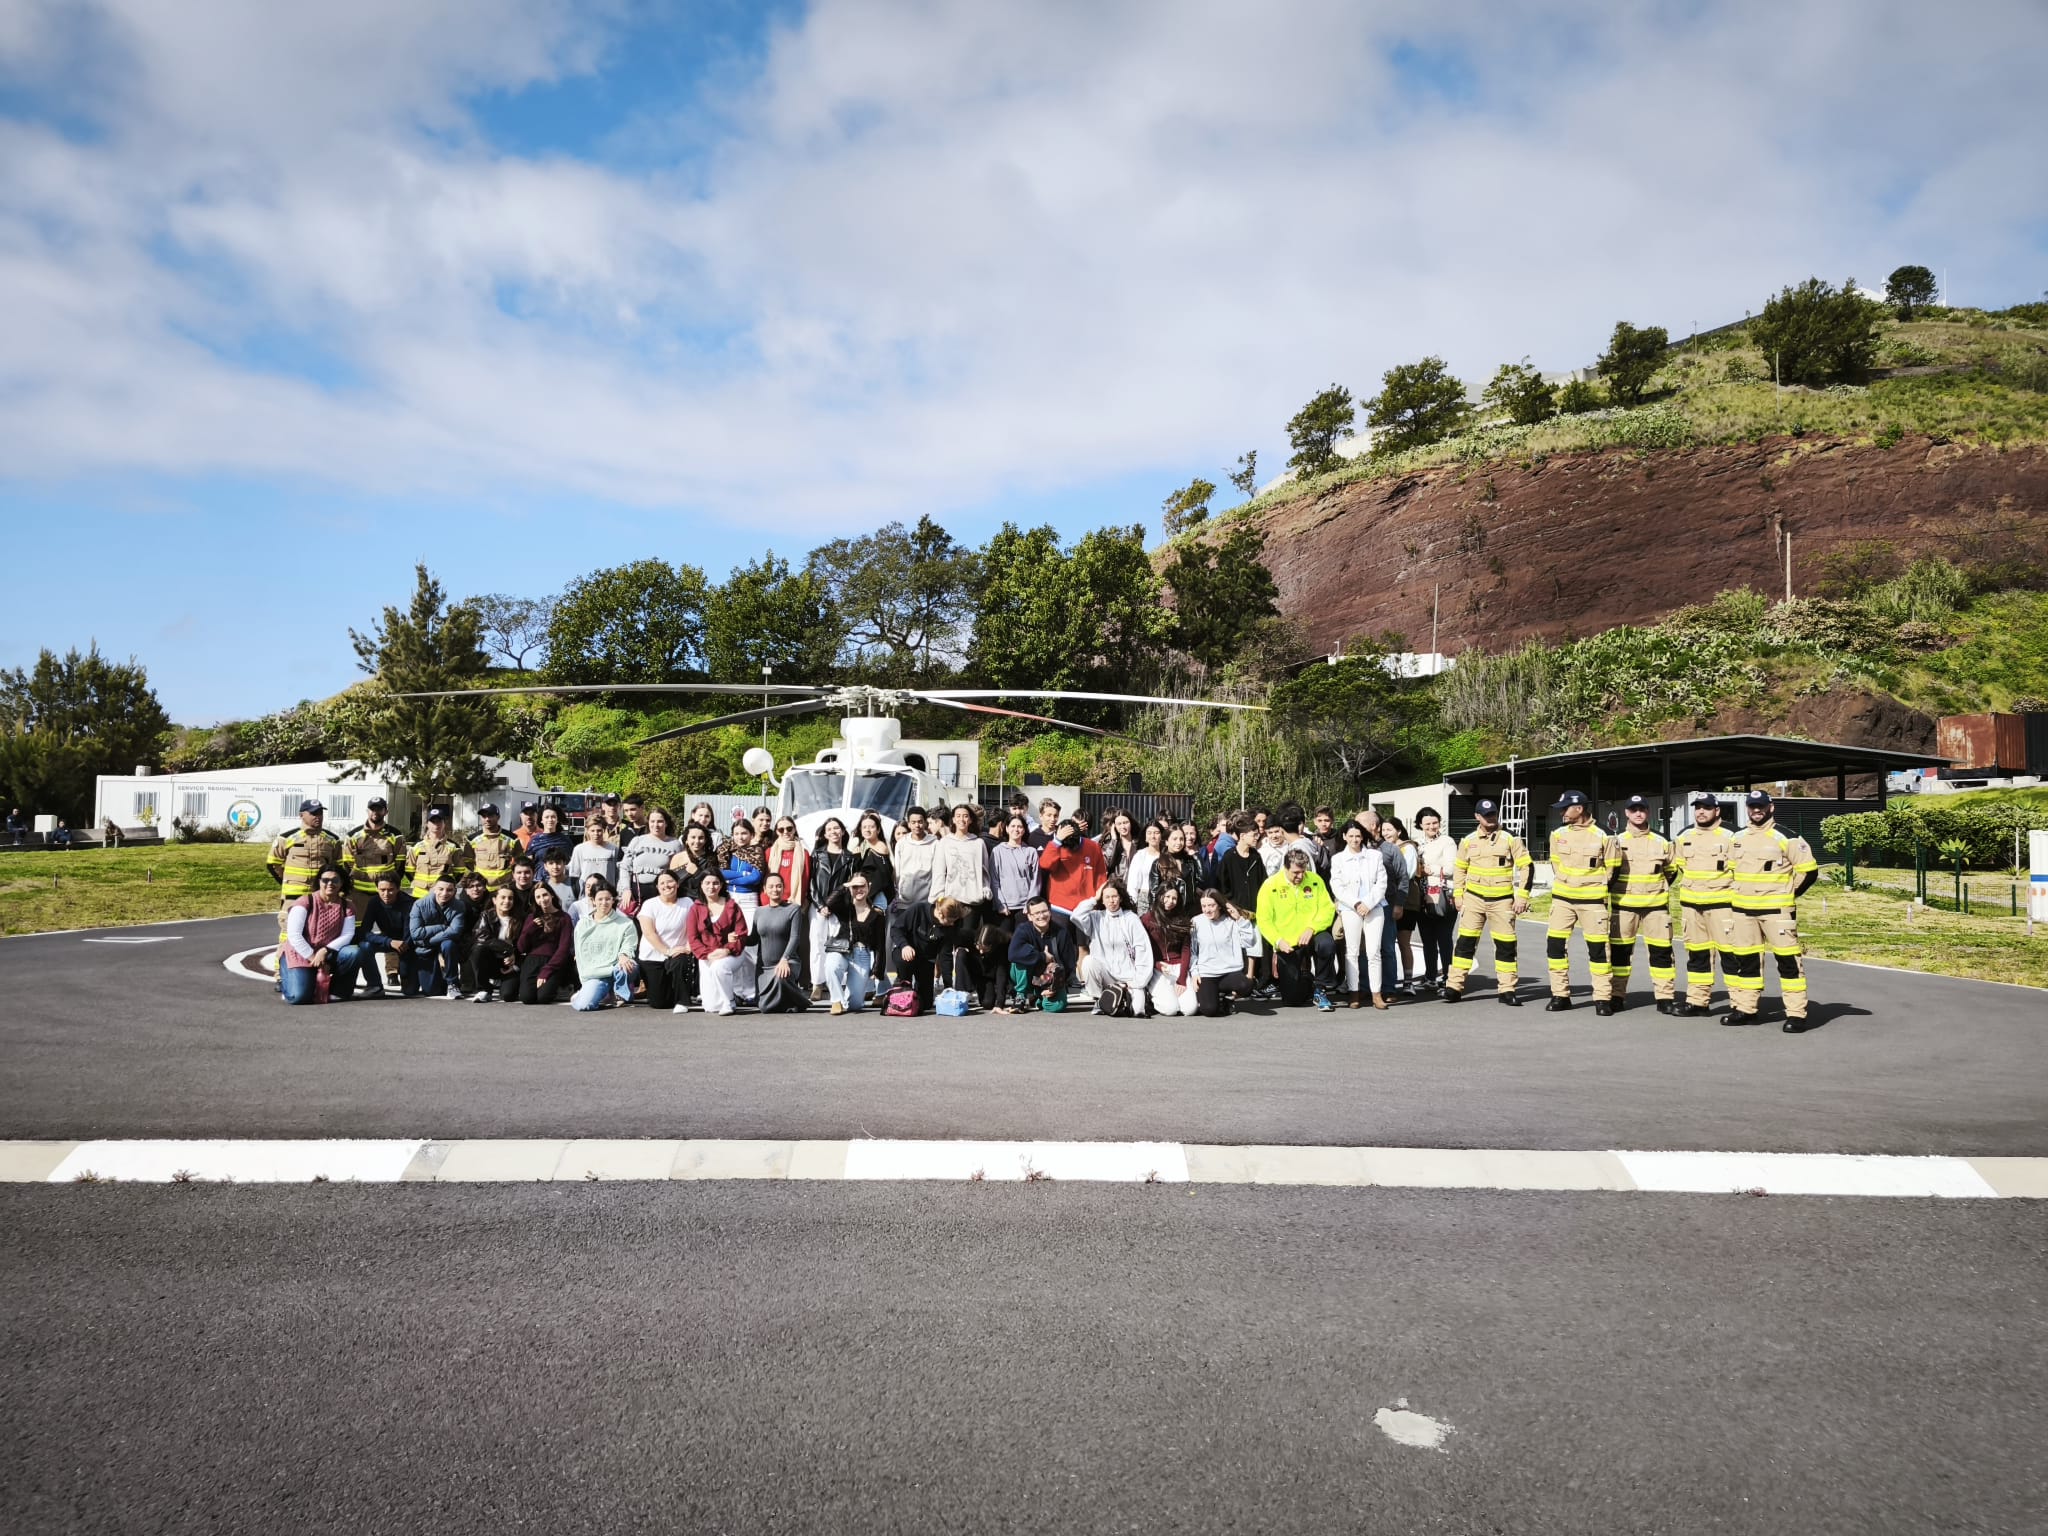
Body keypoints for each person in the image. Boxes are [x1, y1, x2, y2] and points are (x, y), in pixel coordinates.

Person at [1725, 790, 1820, 1031]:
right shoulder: (1737, 838)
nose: (1757, 810)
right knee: (1746, 962)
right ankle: (1746, 1009)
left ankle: (1796, 1014)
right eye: (1752, 806)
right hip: (1743, 912)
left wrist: (1789, 895)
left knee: (1788, 962)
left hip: (1776, 912)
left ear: (1771, 807)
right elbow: (1731, 870)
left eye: (1761, 806)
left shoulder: (1787, 837)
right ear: (1747, 808)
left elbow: (1809, 871)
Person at [1442, 798, 1530, 1007]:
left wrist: (1522, 896)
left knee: (1506, 946)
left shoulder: (1511, 839)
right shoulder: (1468, 841)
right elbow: (1460, 868)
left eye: (1493, 814)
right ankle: (1454, 987)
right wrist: (1458, 895)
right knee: (1465, 944)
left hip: (1502, 902)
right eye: (1486, 815)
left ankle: (1507, 989)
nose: (1490, 818)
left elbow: (1527, 866)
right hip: (1474, 900)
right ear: (1477, 817)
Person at [1542, 791, 1617, 1014]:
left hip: (1592, 902)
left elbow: (1613, 870)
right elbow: (1556, 864)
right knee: (1555, 946)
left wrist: (1596, 889)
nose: (1561, 813)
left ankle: (1602, 998)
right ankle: (1560, 995)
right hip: (1562, 900)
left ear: (1579, 808)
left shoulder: (1604, 835)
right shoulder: (1557, 834)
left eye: (1565, 809)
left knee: (1598, 950)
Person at [1669, 794, 1737, 1017]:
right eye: (1698, 807)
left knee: (1731, 956)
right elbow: (1680, 866)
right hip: (1692, 906)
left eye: (1706, 808)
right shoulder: (1684, 836)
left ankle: (1740, 1004)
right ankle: (1697, 1002)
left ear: (1717, 811)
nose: (1701, 812)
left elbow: (1739, 869)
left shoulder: (1732, 835)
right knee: (1697, 956)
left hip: (1722, 906)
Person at [1608, 795, 1677, 1013]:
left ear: (1648, 812)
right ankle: (1617, 996)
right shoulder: (1616, 841)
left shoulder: (1662, 841)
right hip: (1623, 906)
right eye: (1633, 810)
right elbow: (1609, 872)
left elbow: (1671, 871)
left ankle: (1665, 998)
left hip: (1655, 907)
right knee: (1620, 954)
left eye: (1642, 809)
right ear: (1626, 813)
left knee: (1662, 952)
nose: (1638, 813)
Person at [1256, 849, 1338, 1011]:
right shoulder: (1270, 885)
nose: (1300, 876)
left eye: (1303, 871)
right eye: (1295, 872)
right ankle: (1307, 979)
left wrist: (1312, 928)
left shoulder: (1315, 880)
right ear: (1285, 868)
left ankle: (1320, 989)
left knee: (1326, 944)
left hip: (1312, 934)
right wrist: (1278, 941)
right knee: (1292, 1000)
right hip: (1287, 942)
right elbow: (1264, 919)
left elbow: (1327, 909)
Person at [278, 866, 363, 1004]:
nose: (330, 884)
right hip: (301, 953)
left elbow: (348, 934)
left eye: (335, 880)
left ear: (342, 882)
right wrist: (314, 959)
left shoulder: (347, 906)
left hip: (328, 952)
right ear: (319, 881)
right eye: (325, 880)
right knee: (299, 997)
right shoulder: (305, 902)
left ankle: (338, 991)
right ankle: (287, 983)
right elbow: (294, 936)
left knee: (353, 952)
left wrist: (325, 951)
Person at [1329, 820, 1388, 1008]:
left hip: (1374, 907)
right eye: (1351, 836)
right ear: (1344, 837)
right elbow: (1336, 885)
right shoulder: (1338, 859)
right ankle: (1354, 992)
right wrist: (1355, 903)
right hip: (1350, 908)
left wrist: (1368, 903)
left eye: (1358, 836)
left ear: (1362, 837)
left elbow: (1381, 883)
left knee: (1374, 951)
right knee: (1352, 951)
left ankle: (1376, 994)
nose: (1355, 839)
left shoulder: (1375, 856)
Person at [1081, 879, 1154, 1015]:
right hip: (1107, 975)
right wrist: (1094, 898)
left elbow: (1143, 950)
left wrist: (1138, 981)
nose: (1111, 901)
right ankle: (1100, 1000)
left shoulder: (1131, 918)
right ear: (1102, 900)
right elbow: (1076, 916)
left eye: (1114, 896)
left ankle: (1131, 997)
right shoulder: (1096, 917)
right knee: (1088, 962)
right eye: (1107, 897)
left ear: (1120, 898)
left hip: (1130, 978)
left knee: (1137, 1011)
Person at [688, 870, 755, 1016]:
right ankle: (731, 994)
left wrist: (726, 950)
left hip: (732, 953)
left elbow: (741, 934)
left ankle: (729, 1002)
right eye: (707, 883)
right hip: (707, 956)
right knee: (711, 1006)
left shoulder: (732, 906)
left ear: (721, 885)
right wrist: (708, 955)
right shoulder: (695, 908)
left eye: (715, 883)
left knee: (719, 967)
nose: (711, 887)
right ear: (701, 885)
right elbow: (693, 938)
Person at [821, 871, 887, 1014]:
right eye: (855, 887)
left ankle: (845, 1000)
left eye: (862, 886)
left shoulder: (877, 915)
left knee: (855, 1005)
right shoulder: (844, 907)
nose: (859, 890)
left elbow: (880, 945)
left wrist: (877, 970)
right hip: (841, 949)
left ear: (869, 887)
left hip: (862, 955)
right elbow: (829, 902)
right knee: (831, 966)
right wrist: (845, 885)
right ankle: (836, 1001)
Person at [1220, 814, 1271, 996]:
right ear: (1242, 836)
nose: (1257, 837)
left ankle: (1250, 979)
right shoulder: (1229, 857)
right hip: (1234, 910)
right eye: (1253, 834)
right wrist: (1230, 906)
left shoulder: (1256, 856)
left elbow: (1263, 882)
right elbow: (1222, 885)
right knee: (1236, 946)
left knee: (1254, 945)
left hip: (1255, 911)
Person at [570, 881, 641, 1010]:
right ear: (593, 900)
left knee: (628, 965)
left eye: (608, 899)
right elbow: (580, 954)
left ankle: (619, 993)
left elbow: (629, 945)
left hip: (617, 968)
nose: (604, 903)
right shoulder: (582, 924)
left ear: (613, 900)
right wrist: (585, 981)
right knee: (583, 1006)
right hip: (595, 974)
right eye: (600, 899)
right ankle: (593, 993)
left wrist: (623, 955)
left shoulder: (626, 923)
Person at [897, 895, 974, 1011]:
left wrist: (948, 987)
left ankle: (919, 993)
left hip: (926, 959)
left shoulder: (949, 927)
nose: (952, 924)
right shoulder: (918, 910)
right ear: (940, 914)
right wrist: (904, 945)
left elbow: (945, 955)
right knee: (904, 961)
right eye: (950, 921)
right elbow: (896, 929)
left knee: (926, 1004)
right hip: (907, 952)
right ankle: (904, 988)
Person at [637, 868, 698, 1012]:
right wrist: (667, 951)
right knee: (659, 1003)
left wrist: (688, 947)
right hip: (653, 956)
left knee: (681, 961)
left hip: (678, 953)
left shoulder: (687, 902)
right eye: (662, 883)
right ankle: (670, 993)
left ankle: (683, 1001)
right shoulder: (649, 904)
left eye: (670, 881)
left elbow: (693, 927)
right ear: (657, 887)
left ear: (677, 884)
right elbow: (649, 933)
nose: (666, 886)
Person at [1190, 889, 1259, 1016]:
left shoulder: (1230, 921)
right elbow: (1192, 951)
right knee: (1209, 1010)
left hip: (1229, 971)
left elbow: (1249, 942)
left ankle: (1227, 997)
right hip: (1207, 973)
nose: (1207, 910)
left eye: (1211, 905)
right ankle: (1216, 997)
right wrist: (1194, 973)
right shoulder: (1196, 921)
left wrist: (1240, 919)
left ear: (1219, 906)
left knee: (1246, 986)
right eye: (1204, 906)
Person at [1411, 808, 1459, 991]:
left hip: (1443, 895)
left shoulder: (1447, 842)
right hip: (1422, 896)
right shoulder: (1417, 843)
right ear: (1420, 825)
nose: (1431, 826)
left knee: (1444, 938)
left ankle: (1448, 977)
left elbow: (1451, 868)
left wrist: (1429, 869)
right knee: (1427, 938)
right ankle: (1431, 976)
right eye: (1427, 823)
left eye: (1435, 822)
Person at [809, 818, 857, 999]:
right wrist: (820, 904)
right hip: (818, 906)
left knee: (839, 945)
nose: (833, 832)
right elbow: (811, 882)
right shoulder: (817, 855)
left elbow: (850, 884)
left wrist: (834, 904)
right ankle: (817, 983)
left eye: (836, 828)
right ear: (824, 833)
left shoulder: (850, 857)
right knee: (817, 944)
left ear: (843, 831)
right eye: (829, 829)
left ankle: (838, 983)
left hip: (840, 908)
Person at [751, 872, 811, 1013]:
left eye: (778, 886)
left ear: (783, 888)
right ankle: (787, 1003)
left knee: (780, 977)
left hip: (788, 962)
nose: (775, 889)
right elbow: (753, 939)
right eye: (771, 886)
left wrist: (785, 959)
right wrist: (738, 938)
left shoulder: (793, 909)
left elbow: (795, 938)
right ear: (765, 889)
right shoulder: (759, 911)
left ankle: (800, 1002)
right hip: (765, 968)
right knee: (764, 1007)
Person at [1006, 897, 1076, 1012]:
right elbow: (1013, 954)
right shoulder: (1023, 930)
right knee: (1021, 956)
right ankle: (1021, 996)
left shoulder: (1062, 932)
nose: (1041, 916)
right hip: (1027, 974)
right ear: (1029, 916)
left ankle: (1039, 998)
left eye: (1044, 911)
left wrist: (1055, 986)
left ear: (1050, 912)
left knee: (1057, 1007)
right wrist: (1043, 956)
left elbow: (1069, 964)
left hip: (1050, 977)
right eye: (1036, 913)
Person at [403, 875, 468, 999]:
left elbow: (455, 931)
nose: (444, 893)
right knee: (431, 991)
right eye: (441, 889)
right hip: (425, 949)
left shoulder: (459, 905)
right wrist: (441, 927)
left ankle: (452, 983)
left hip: (436, 944)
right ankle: (441, 977)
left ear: (455, 891)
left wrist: (428, 941)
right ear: (434, 889)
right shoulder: (419, 904)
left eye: (449, 890)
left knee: (449, 944)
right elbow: (416, 933)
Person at [344, 798, 407, 923]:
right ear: (367, 811)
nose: (375, 812)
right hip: (359, 892)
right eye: (372, 809)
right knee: (359, 927)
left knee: (390, 927)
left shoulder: (396, 835)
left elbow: (400, 864)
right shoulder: (353, 835)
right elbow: (347, 863)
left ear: (386, 812)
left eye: (379, 809)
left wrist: (392, 886)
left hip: (385, 893)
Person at [1141, 885, 1199, 1017]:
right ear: (1160, 896)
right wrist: (1157, 965)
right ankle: (1151, 997)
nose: (1170, 901)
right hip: (1158, 968)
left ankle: (1175, 994)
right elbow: (1143, 949)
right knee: (1170, 1009)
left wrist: (1182, 978)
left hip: (1179, 967)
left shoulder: (1182, 919)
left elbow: (1186, 950)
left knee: (1190, 1009)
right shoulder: (1147, 919)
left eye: (1174, 898)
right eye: (1167, 896)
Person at [516, 882, 575, 1005]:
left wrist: (547, 970)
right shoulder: (531, 918)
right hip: (532, 961)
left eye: (545, 895)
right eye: (538, 897)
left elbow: (563, 949)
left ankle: (561, 986)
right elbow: (521, 948)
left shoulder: (564, 918)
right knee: (527, 998)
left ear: (551, 895)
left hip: (553, 961)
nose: (542, 899)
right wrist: (529, 929)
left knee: (544, 997)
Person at [931, 803, 994, 917]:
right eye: (958, 816)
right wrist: (939, 897)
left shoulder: (978, 843)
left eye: (965, 816)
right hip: (950, 899)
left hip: (973, 899)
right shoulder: (945, 842)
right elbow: (939, 872)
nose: (962, 819)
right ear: (953, 819)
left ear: (970, 820)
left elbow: (984, 870)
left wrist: (986, 887)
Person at [355, 873, 412, 996]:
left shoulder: (408, 903)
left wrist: (402, 945)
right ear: (377, 889)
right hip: (388, 940)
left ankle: (407, 978)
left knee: (410, 991)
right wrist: (388, 941)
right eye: (382, 890)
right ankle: (375, 985)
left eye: (391, 890)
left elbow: (409, 934)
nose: (386, 894)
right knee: (365, 946)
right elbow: (365, 931)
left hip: (407, 944)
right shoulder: (374, 902)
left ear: (398, 888)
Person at [467, 886, 523, 1002]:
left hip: (511, 965)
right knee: (478, 949)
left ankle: (503, 983)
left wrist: (515, 964)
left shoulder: (520, 918)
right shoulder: (486, 915)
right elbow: (482, 938)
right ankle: (484, 989)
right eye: (503, 897)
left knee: (508, 996)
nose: (507, 901)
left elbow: (525, 945)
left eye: (510, 898)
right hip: (491, 961)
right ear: (494, 900)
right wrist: (509, 950)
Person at [1385, 817, 1421, 990]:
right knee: (1387, 943)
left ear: (1399, 831)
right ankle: (1389, 980)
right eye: (1383, 830)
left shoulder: (1408, 848)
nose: (1386, 834)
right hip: (1387, 901)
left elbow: (1407, 873)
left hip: (1406, 901)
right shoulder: (1383, 848)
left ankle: (1408, 981)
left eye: (1389, 830)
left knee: (1403, 941)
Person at [404, 806, 468, 898]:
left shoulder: (453, 847)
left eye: (439, 821)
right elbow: (409, 870)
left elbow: (460, 870)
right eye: (433, 821)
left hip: (443, 895)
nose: (436, 824)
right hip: (420, 894)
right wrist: (417, 883)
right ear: (427, 824)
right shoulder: (417, 846)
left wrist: (449, 885)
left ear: (444, 823)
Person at [990, 813, 1043, 922]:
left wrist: (1030, 904)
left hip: (1024, 908)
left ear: (1024, 830)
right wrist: (1000, 904)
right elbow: (994, 879)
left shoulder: (1031, 852)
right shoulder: (997, 851)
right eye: (1013, 826)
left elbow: (1036, 881)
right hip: (1004, 907)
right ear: (1007, 828)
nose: (1016, 829)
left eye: (1020, 827)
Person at [622, 808, 682, 905]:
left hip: (662, 893)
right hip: (636, 893)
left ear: (666, 823)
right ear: (648, 823)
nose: (656, 825)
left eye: (660, 821)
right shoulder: (637, 841)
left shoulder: (675, 844)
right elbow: (625, 867)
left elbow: (678, 872)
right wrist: (626, 889)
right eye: (652, 821)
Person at [466, 804, 519, 895]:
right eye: (484, 816)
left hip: (503, 889)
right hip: (481, 890)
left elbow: (520, 862)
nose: (487, 819)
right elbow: (467, 863)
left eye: (490, 815)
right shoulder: (472, 839)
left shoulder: (512, 838)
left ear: (498, 817)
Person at [567, 813, 621, 897]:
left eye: (599, 830)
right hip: (586, 895)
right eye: (592, 831)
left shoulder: (613, 849)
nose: (596, 833)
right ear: (587, 831)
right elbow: (574, 874)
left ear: (604, 830)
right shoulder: (579, 849)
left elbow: (618, 875)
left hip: (607, 894)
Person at [850, 812, 896, 908]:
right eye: (864, 827)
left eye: (871, 827)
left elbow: (881, 878)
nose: (867, 830)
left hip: (876, 898)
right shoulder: (862, 846)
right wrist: (856, 857)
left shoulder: (880, 848)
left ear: (878, 830)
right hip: (865, 897)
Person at [721, 819, 766, 911]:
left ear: (752, 834)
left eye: (744, 833)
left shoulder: (756, 852)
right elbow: (722, 873)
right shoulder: (727, 851)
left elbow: (755, 877)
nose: (740, 837)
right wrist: (743, 874)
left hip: (749, 898)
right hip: (729, 897)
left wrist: (729, 881)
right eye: (736, 834)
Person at [1125, 821, 1166, 913]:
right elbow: (1132, 884)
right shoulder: (1140, 855)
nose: (1153, 836)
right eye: (1149, 833)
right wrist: (1132, 904)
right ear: (1145, 837)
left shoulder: (1166, 855)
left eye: (1156, 833)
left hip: (1165, 898)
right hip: (1144, 898)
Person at [527, 805, 575, 870]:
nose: (550, 820)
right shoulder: (534, 841)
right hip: (539, 876)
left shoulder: (565, 840)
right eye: (547, 817)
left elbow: (572, 863)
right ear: (541, 820)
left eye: (553, 817)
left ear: (557, 820)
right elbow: (528, 864)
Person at [1099, 808, 1139, 885]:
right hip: (1117, 887)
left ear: (1131, 823)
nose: (1123, 826)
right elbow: (1105, 865)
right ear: (1114, 826)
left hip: (1135, 887)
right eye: (1119, 824)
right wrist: (1114, 840)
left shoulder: (1139, 844)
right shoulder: (1108, 845)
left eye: (1125, 822)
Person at [540, 847, 575, 916]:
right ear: (545, 866)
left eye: (558, 863)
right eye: (551, 863)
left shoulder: (577, 884)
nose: (555, 866)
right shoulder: (543, 887)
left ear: (564, 863)